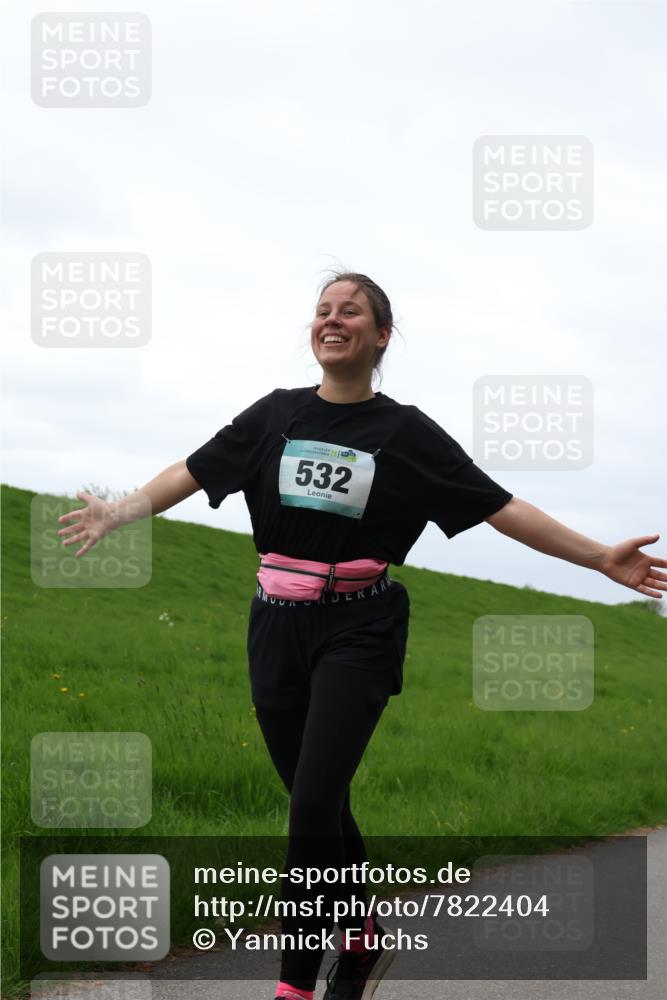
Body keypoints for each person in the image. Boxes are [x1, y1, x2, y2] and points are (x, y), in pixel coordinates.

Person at [57, 271, 666, 1000]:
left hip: (360, 625)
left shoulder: (403, 433)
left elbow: (500, 507)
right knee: (319, 801)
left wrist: (598, 555)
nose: (332, 320)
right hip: (275, 627)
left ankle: (293, 986)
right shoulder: (274, 416)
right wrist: (118, 513)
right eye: (321, 311)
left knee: (312, 803)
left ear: (380, 336)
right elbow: (192, 471)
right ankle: (362, 936)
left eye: (351, 311)